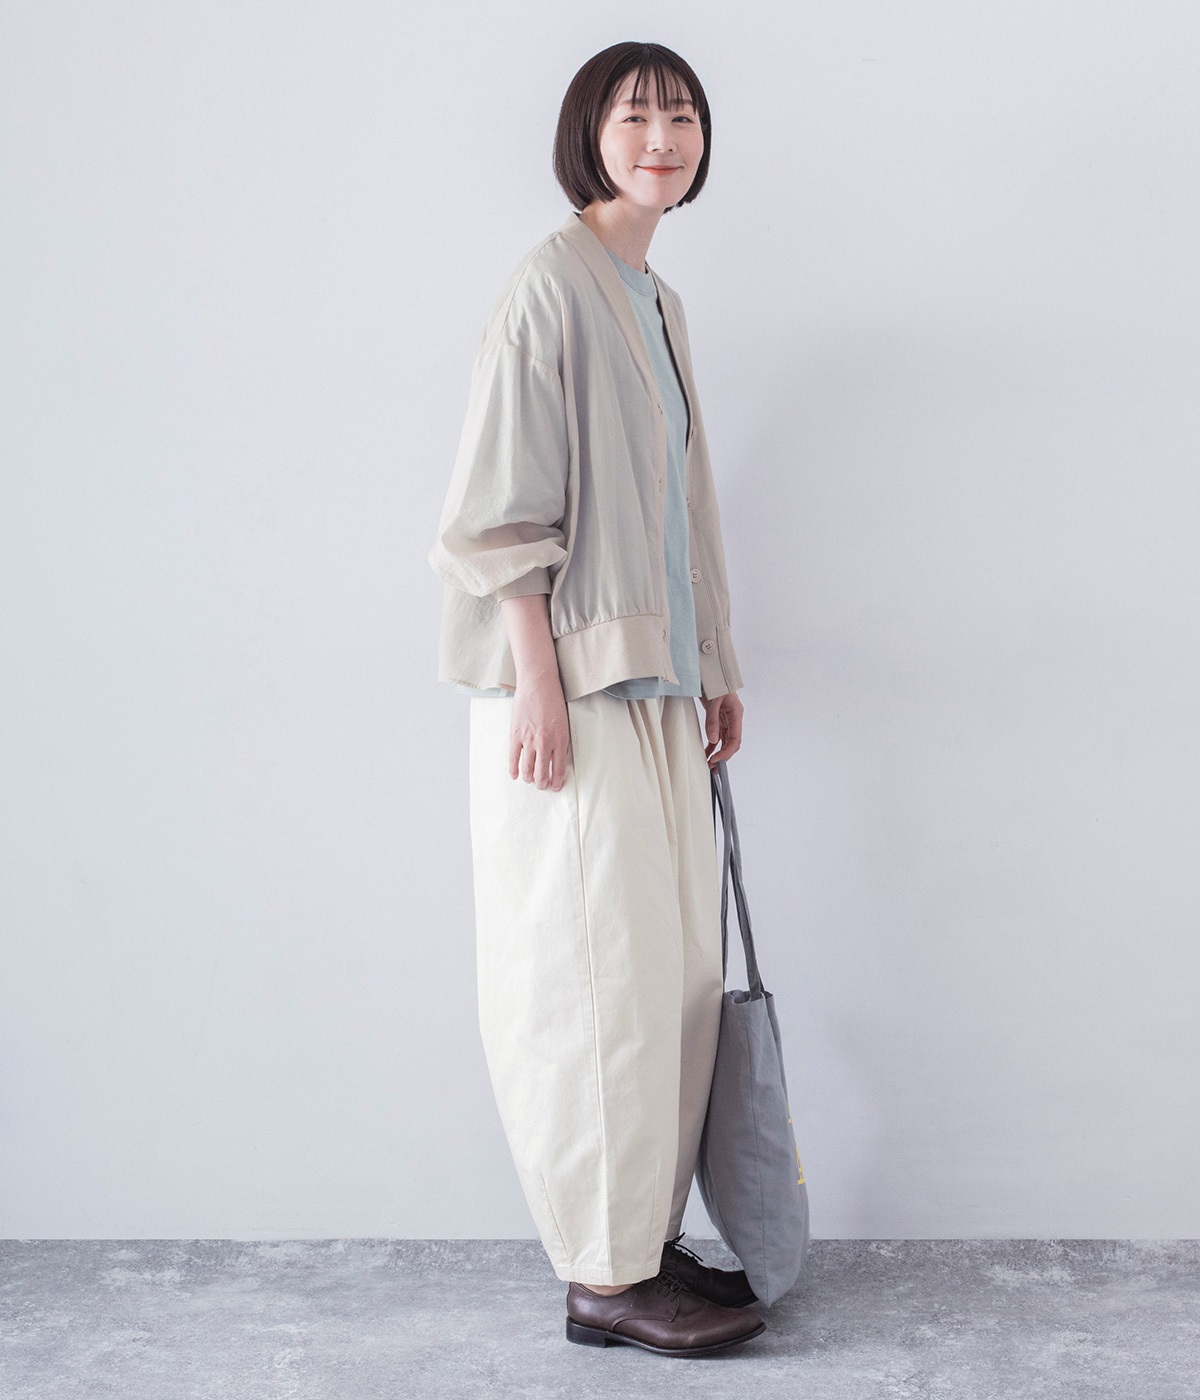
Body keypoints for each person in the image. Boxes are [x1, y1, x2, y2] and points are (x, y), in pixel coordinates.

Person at [428, 41, 764, 1357]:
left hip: (656, 684)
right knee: (591, 977)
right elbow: (497, 512)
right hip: (567, 687)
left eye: (682, 115)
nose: (662, 137)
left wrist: (714, 664)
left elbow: (684, 513)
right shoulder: (548, 287)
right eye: (636, 116)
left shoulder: (657, 301)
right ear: (589, 134)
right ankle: (604, 1277)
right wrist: (536, 683)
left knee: (670, 976)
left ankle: (641, 1237)